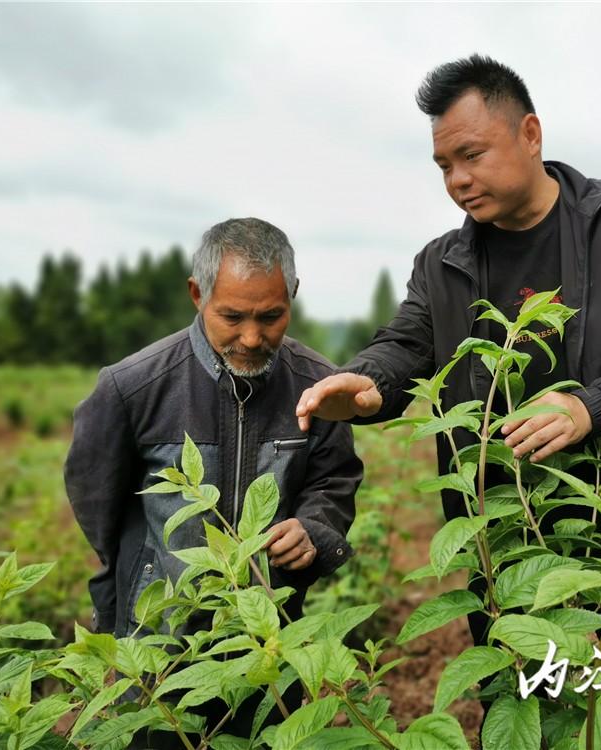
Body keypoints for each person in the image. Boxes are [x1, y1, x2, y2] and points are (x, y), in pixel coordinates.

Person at [295, 55, 601, 662]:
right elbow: (405, 343)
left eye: (472, 155)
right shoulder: (442, 261)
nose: (458, 180)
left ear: (530, 134)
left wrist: (590, 407)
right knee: (522, 690)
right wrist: (366, 382)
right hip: (501, 526)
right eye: (444, 165)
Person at [65, 217, 362, 743]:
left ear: (293, 294)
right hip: (158, 639)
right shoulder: (131, 388)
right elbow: (97, 500)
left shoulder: (317, 387)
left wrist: (313, 529)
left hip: (268, 640)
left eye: (271, 316)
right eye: (232, 316)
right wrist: (144, 573)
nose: (252, 337)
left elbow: (334, 481)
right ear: (197, 294)